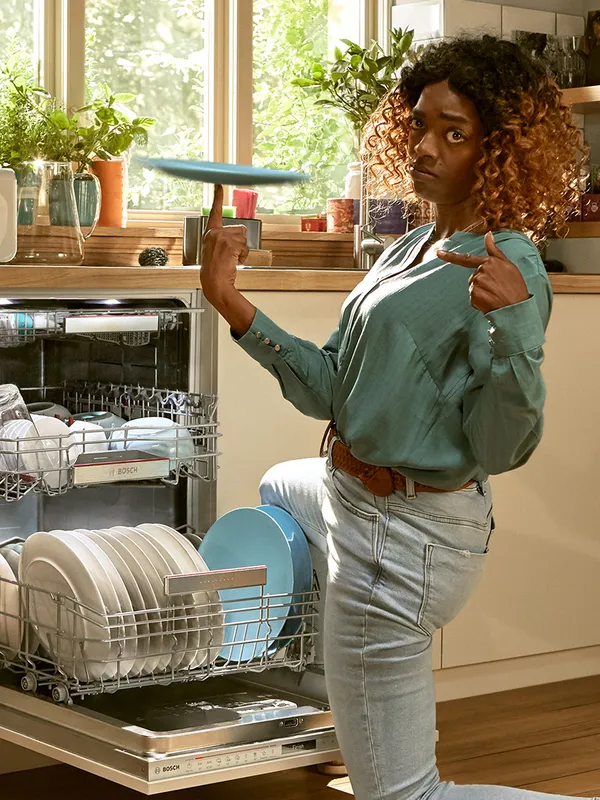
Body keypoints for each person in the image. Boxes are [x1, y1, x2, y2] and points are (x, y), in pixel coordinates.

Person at [200, 34, 585, 800]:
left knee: (404, 796)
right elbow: (329, 392)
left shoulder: (507, 265)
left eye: (454, 132)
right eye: (420, 123)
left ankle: (371, 697)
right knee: (282, 486)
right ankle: (336, 689)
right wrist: (231, 303)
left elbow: (503, 447)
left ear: (498, 150)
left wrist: (513, 334)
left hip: (400, 538)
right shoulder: (409, 246)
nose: (425, 146)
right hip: (346, 494)